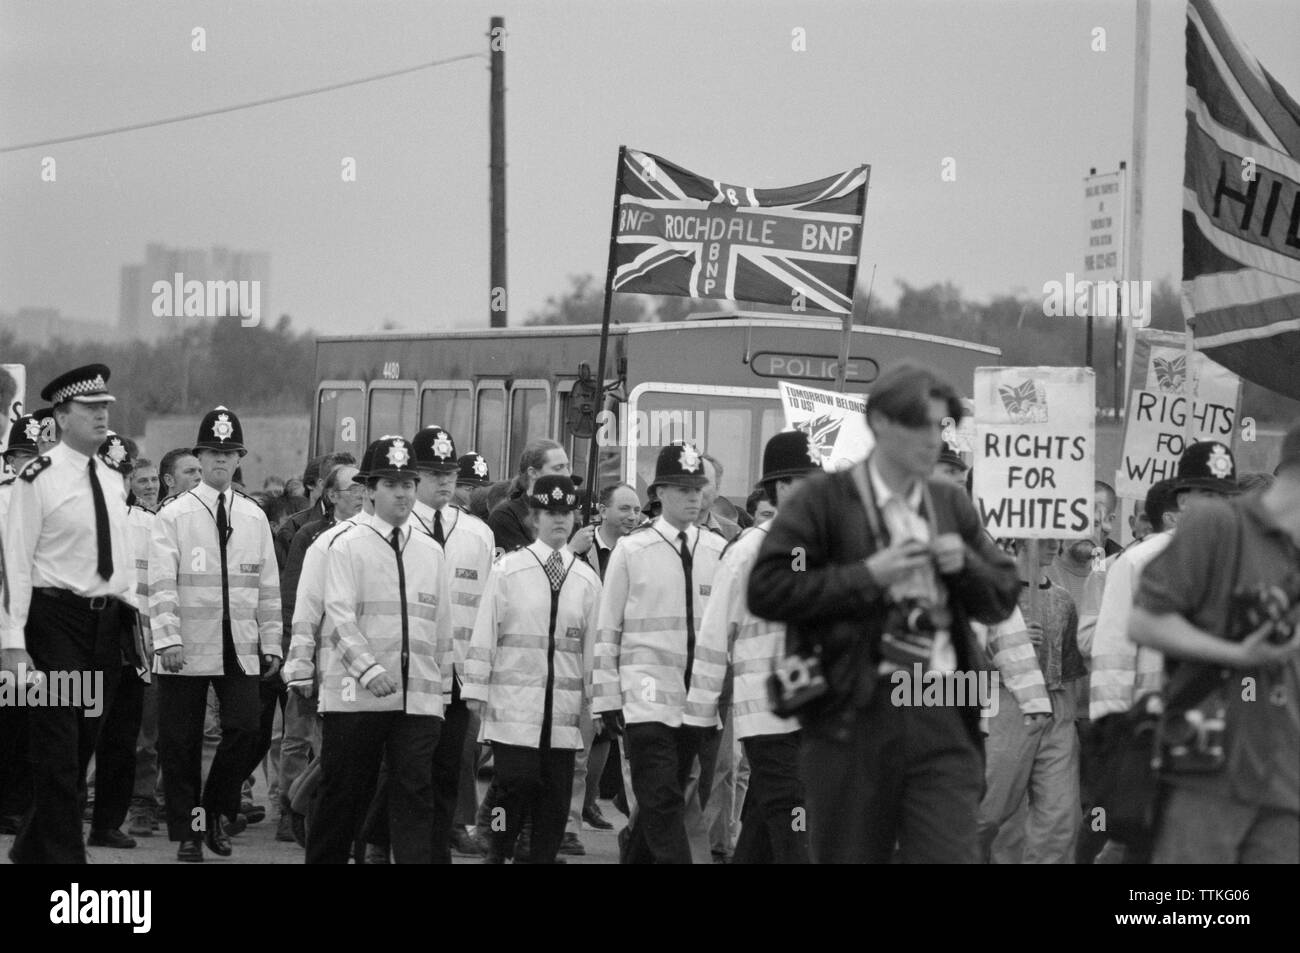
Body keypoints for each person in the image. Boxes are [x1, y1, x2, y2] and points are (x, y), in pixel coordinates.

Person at [748, 361, 1021, 863]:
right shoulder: (822, 501)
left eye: (941, 427)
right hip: (853, 717)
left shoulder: (950, 503)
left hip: (940, 710)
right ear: (880, 424)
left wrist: (965, 569)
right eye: (920, 426)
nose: (933, 440)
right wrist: (868, 575)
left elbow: (1003, 594)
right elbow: (768, 589)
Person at [1129, 422, 1300, 864]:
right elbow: (1145, 623)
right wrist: (1236, 655)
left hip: (1285, 769)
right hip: (1210, 761)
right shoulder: (1218, 524)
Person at [1, 364, 135, 863]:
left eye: (106, 408)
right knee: (57, 748)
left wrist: (131, 617)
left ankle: (31, 847)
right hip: (54, 622)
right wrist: (11, 642)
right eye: (90, 408)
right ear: (61, 415)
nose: (102, 416)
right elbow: (15, 560)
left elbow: (118, 557)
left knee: (80, 747)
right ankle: (67, 866)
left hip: (103, 626)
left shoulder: (111, 476)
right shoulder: (37, 478)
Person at [305, 436, 454, 864]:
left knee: (414, 794)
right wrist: (370, 671)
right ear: (369, 490)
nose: (403, 492)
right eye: (391, 484)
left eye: (409, 482)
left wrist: (442, 688)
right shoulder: (346, 545)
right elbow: (338, 618)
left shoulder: (430, 550)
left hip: (418, 697)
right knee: (346, 796)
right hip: (357, 697)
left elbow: (441, 626)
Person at [150, 406, 283, 862]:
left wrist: (272, 642)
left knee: (248, 729)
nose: (221, 461)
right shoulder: (175, 514)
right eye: (213, 453)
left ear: (239, 457)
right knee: (180, 743)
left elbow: (268, 585)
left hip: (240, 644)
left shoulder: (253, 516)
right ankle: (190, 834)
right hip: (186, 644)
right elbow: (161, 583)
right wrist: (166, 639)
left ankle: (214, 808)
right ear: (200, 457)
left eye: (229, 454)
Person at [685, 431, 821, 863]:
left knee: (764, 825)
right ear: (782, 488)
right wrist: (702, 711)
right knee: (796, 822)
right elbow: (713, 635)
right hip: (767, 714)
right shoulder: (748, 552)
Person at [591, 441, 727, 864]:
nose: (694, 496)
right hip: (644, 699)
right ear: (661, 493)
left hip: (696, 702)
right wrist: (607, 696)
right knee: (663, 797)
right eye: (683, 488)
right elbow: (607, 627)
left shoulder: (717, 551)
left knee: (662, 801)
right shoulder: (634, 549)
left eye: (699, 488)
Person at [463, 474, 601, 863]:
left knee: (555, 800)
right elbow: (485, 630)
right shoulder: (510, 570)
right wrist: (475, 688)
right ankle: (499, 847)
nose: (559, 520)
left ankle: (537, 856)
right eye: (549, 512)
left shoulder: (586, 579)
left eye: (566, 512)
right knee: (514, 785)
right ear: (533, 519)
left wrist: (602, 701)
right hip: (514, 711)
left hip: (562, 715)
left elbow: (594, 647)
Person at [406, 426, 495, 862]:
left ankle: (437, 847)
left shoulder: (476, 533)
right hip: (411, 670)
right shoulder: (400, 527)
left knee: (449, 767)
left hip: (458, 672)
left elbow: (484, 609)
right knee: (402, 770)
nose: (444, 482)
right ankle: (377, 840)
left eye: (449, 473)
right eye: (432, 472)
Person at [977, 537, 1084, 863]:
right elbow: (963, 653)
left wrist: (1068, 718)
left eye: (1058, 537)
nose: (1055, 544)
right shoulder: (987, 594)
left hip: (1056, 704)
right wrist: (1006, 645)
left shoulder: (1063, 600)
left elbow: (1069, 668)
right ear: (1020, 539)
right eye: (1046, 538)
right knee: (989, 811)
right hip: (1003, 701)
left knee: (1061, 813)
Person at [274, 461, 364, 841]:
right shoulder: (311, 535)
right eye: (353, 490)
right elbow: (297, 599)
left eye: (364, 488)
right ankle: (289, 808)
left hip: (355, 656)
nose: (361, 495)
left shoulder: (368, 536)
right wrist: (300, 660)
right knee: (297, 736)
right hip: (317, 651)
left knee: (338, 744)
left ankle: (323, 810)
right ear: (331, 495)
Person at [565, 482, 642, 840]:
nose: (632, 516)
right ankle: (568, 825)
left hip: (623, 659)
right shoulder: (582, 547)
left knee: (607, 738)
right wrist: (570, 551)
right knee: (579, 743)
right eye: (624, 508)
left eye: (637, 510)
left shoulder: (641, 550)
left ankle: (591, 802)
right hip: (581, 655)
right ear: (603, 510)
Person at [275, 452, 356, 569]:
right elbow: (288, 581)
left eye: (356, 482)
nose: (353, 490)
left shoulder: (369, 526)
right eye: (340, 480)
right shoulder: (295, 528)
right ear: (324, 485)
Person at [488, 439, 570, 553]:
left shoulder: (569, 514)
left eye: (567, 466)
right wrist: (572, 549)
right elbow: (521, 565)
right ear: (533, 473)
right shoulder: (506, 516)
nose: (567, 474)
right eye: (558, 468)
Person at [698, 453, 740, 542]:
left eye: (703, 482)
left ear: (717, 489)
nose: (696, 490)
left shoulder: (733, 533)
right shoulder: (663, 528)